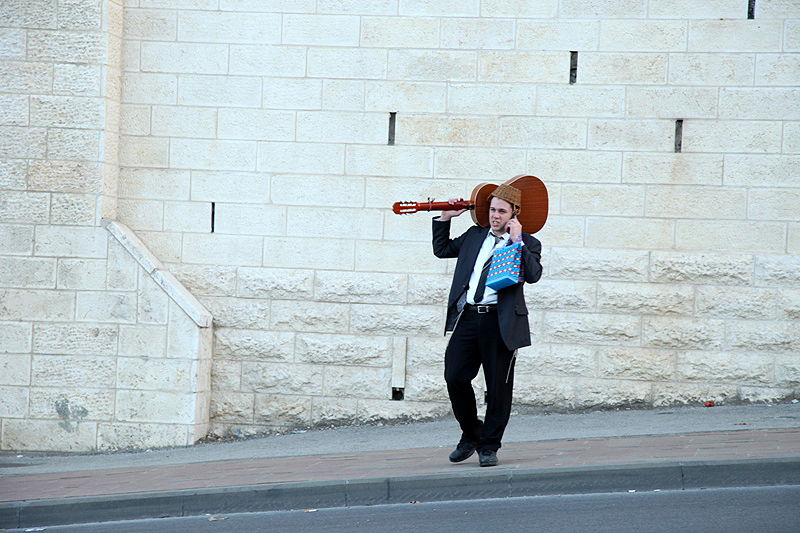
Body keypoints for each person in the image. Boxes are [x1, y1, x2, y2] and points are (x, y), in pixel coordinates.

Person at [432, 184, 542, 467]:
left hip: (500, 322)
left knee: (498, 388)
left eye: (502, 211)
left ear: (514, 214)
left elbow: (533, 275)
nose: (495, 216)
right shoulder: (474, 236)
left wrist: (517, 241)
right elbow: (442, 249)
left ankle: (489, 446)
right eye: (492, 210)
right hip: (469, 318)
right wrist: (446, 217)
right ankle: (471, 434)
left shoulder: (527, 243)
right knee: (454, 375)